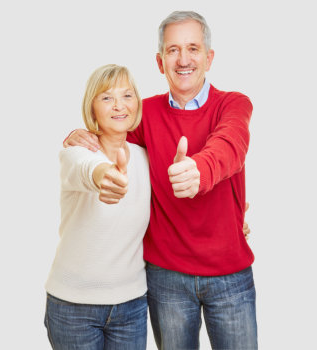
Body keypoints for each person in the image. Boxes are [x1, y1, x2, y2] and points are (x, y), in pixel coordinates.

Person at [64, 11, 257, 350]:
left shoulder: (233, 104)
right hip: (166, 277)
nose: (183, 59)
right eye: (173, 50)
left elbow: (231, 144)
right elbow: (111, 125)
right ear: (159, 61)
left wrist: (200, 170)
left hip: (230, 275)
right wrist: (80, 133)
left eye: (193, 48)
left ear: (209, 57)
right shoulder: (144, 113)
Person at [47, 64, 152, 350]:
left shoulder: (146, 158)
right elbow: (87, 169)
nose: (119, 105)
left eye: (127, 95)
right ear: (92, 108)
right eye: (106, 98)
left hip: (131, 307)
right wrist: (106, 176)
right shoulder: (76, 152)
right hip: (74, 308)